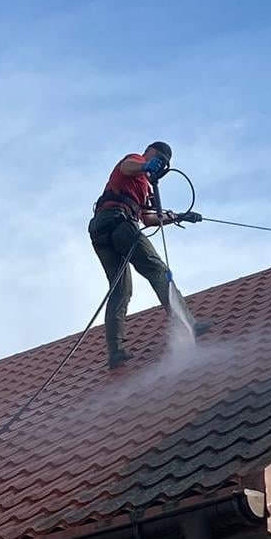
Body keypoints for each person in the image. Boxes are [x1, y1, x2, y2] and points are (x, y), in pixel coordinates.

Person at [89, 141, 208, 369]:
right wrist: (145, 167)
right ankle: (186, 323)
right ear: (150, 153)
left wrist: (178, 217)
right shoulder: (136, 161)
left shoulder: (144, 187)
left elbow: (148, 219)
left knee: (120, 289)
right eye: (160, 160)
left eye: (164, 164)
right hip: (119, 222)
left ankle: (115, 353)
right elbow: (127, 166)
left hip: (102, 230)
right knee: (157, 269)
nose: (161, 165)